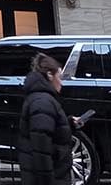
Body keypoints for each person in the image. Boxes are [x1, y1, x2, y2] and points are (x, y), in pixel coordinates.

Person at [17, 52, 76, 185]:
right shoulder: (43, 101)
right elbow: (41, 148)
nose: (61, 82)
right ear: (50, 75)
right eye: (59, 77)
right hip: (51, 176)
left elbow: (46, 130)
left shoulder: (41, 99)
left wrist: (69, 123)